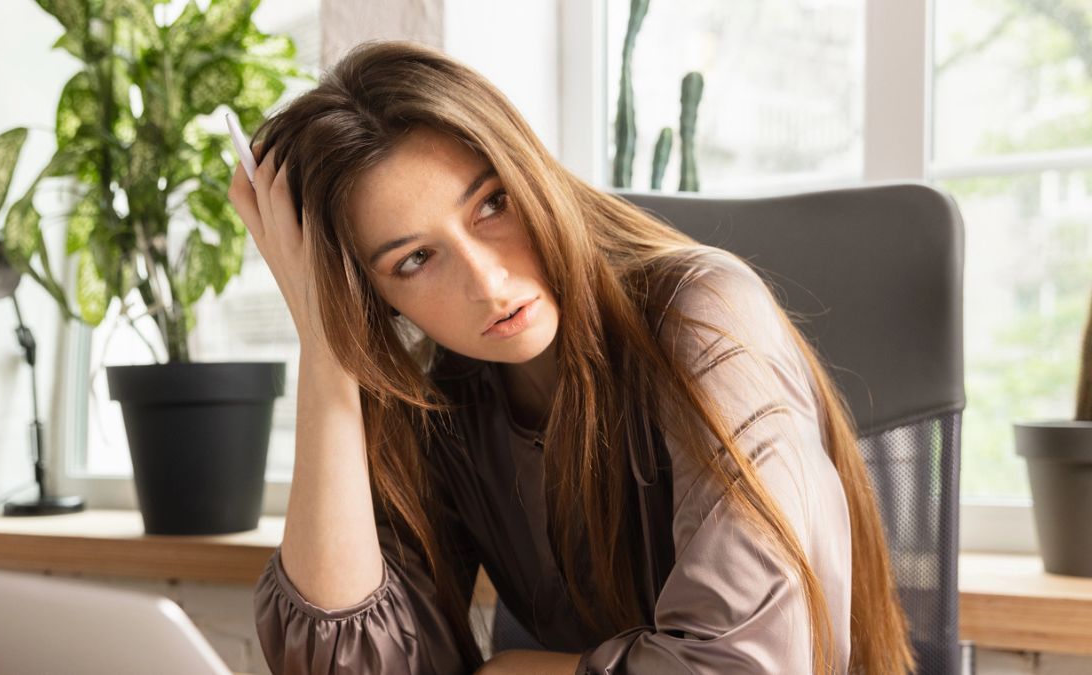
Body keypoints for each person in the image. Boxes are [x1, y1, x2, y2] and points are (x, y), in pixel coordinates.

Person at [227, 40, 914, 675]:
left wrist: (514, 671)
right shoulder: (449, 400)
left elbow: (743, 664)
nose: (487, 283)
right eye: (413, 259)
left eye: (491, 204)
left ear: (531, 173)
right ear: (377, 297)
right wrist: (324, 336)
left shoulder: (705, 315)